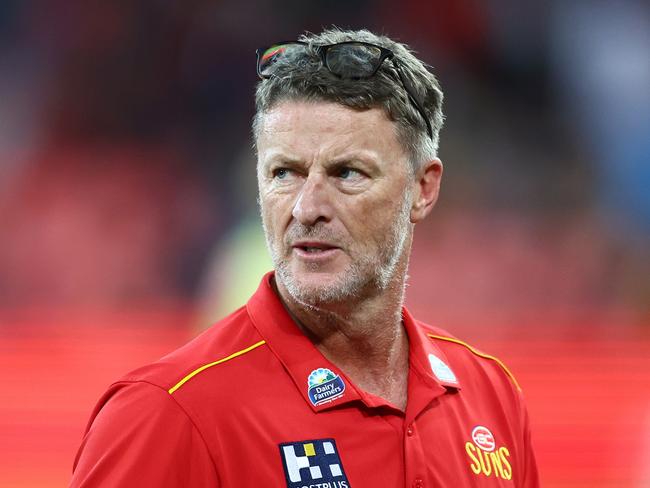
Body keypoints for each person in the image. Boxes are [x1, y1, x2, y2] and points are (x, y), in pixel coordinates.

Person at [71, 28, 539, 487]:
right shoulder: (169, 413)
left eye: (347, 173)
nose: (306, 207)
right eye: (284, 172)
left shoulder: (490, 397)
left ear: (423, 188)